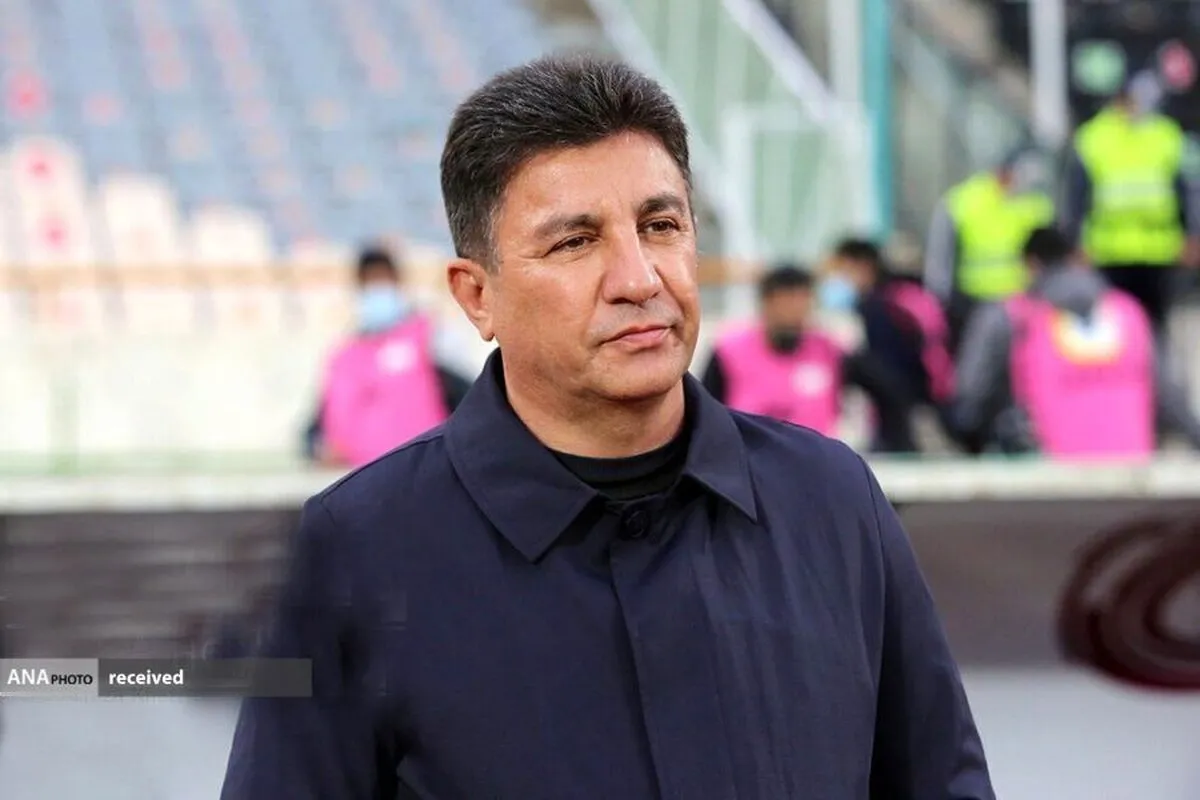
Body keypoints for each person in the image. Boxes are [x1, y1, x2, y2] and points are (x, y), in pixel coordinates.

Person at [221, 55, 993, 799]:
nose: (638, 278)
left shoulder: (830, 500)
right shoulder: (362, 549)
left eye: (660, 225)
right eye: (575, 241)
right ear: (477, 296)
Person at [953, 227, 1200, 458]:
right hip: (1132, 470)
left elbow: (969, 401)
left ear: (1030, 265)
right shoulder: (1128, 312)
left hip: (1046, 474)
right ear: (1078, 258)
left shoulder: (1012, 317)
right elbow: (1170, 398)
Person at [702, 264, 920, 452]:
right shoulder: (729, 352)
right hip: (748, 463)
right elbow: (704, 414)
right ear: (766, 303)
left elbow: (888, 390)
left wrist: (894, 445)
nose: (794, 313)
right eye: (786, 303)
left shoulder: (828, 352)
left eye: (802, 303)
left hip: (811, 464)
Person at [1060, 71, 1200, 343]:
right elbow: (1077, 197)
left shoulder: (1165, 135)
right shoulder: (1093, 137)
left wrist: (1191, 236)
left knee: (1155, 328)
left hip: (1158, 251)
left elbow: (1183, 192)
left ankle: (1154, 370)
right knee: (1116, 328)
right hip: (1108, 252)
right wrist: (1075, 244)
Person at [304, 246, 475, 467]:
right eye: (369, 282)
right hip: (364, 476)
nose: (377, 289)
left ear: (397, 282)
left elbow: (468, 397)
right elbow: (316, 428)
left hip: (427, 468)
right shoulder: (344, 356)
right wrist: (319, 449)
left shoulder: (430, 338)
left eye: (382, 280)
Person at [823, 237, 960, 451]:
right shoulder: (907, 295)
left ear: (863, 266)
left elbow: (889, 370)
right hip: (927, 405)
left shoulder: (879, 308)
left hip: (907, 412)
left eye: (842, 270)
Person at [924, 147, 1055, 348]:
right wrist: (940, 302)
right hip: (972, 304)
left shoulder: (1037, 203)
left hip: (1024, 305)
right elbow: (940, 257)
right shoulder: (963, 201)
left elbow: (1051, 256)